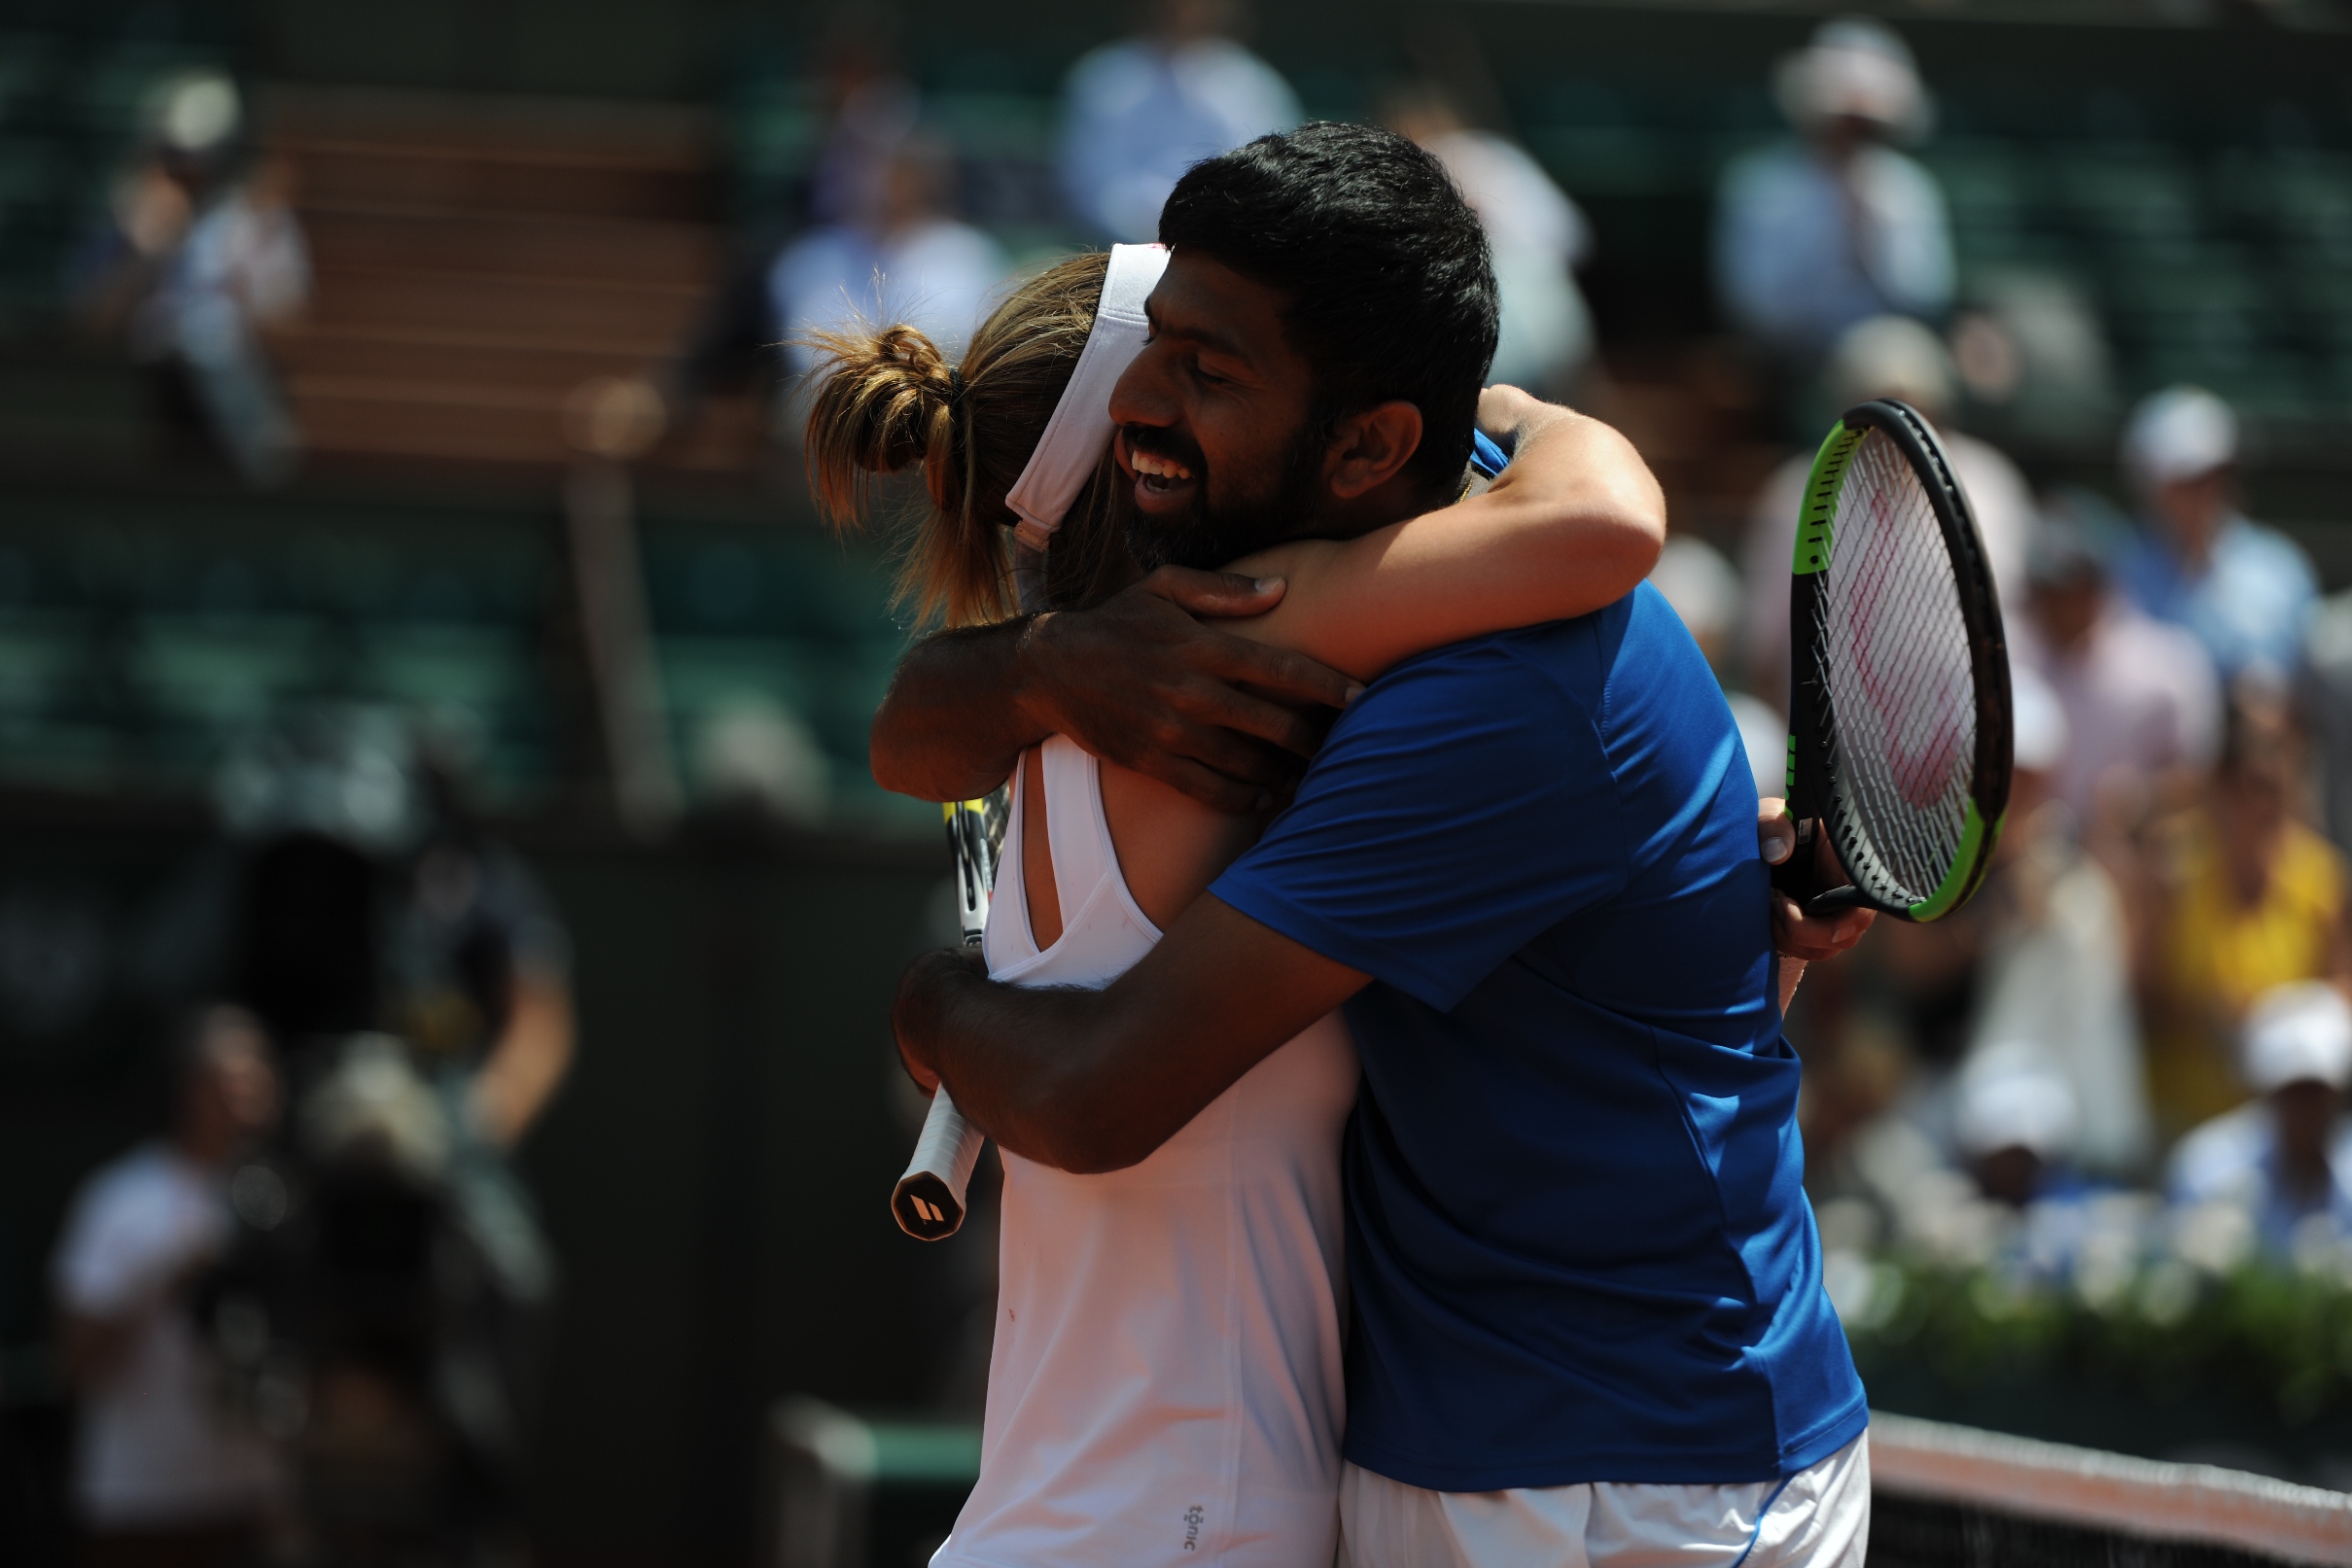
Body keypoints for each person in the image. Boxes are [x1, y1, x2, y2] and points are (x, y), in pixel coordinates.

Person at [886, 124, 1874, 1568]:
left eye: (1208, 370)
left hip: (1628, 1488)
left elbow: (1093, 1091)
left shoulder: (1447, 692)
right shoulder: (1350, 576)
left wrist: (928, 1008)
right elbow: (1573, 480)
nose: (1155, 399)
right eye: (1154, 350)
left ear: (1371, 444)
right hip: (1415, 1467)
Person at [808, 234, 1669, 1560]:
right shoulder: (1228, 655)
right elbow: (1597, 525)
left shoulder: (1056, 721)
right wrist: (1507, 404)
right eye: (1191, 369)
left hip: (1086, 1511)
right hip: (1184, 1523)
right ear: (1148, 448)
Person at [52, 1007, 285, 1568]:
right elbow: (76, 1361)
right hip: (142, 1508)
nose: (244, 1101)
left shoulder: (285, 1201)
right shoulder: (122, 1200)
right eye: (228, 1083)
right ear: (190, 1090)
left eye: (256, 1082)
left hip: (251, 1503)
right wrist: (175, 1273)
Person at [1740, 315, 2030, 712]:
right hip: (1836, 759)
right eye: (1882, 408)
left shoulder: (1992, 484)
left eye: (1915, 408)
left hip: (1973, 748)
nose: (1898, 428)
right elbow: (1765, 649)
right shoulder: (1796, 494)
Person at [1961, 667, 2154, 1178]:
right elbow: (1913, 967)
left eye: (2025, 773)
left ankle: (2100, 1140)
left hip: (2077, 1117)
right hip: (1971, 1099)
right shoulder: (1941, 862)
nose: (2012, 786)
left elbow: (2129, 973)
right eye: (2002, 769)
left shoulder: (2079, 865)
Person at [2141, 686, 2352, 1141]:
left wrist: (2277, 1018)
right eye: (2246, 786)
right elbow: (2145, 997)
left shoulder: (2323, 878)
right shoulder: (2174, 874)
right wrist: (2210, 1016)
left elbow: (2343, 992)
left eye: (2272, 789)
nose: (2259, 805)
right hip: (2186, 1125)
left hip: (2290, 1134)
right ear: (2218, 787)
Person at [1714, 17, 1952, 381]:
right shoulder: (1761, 184)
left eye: (1865, 126)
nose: (1851, 136)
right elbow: (1755, 303)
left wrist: (1872, 233)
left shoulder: (1909, 187)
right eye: (1841, 121)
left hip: (1890, 361)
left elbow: (1927, 293)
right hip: (1788, 365)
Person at [2014, 500, 2222, 827]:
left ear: (2098, 587)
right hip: (2026, 852)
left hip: (2135, 848)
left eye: (2072, 587)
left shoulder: (2168, 663)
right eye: (2047, 589)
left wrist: (2143, 796)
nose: (2057, 603)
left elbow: (2198, 778)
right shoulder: (2006, 659)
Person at [1383, 83, 1594, 397]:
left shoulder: (1432, 160)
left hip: (1508, 319)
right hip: (1564, 315)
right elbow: (1578, 240)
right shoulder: (1503, 153)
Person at [2114, 386, 2316, 683]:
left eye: (2217, 475)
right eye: (2188, 481)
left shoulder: (2280, 569)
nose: (2206, 492)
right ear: (2152, 487)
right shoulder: (2119, 575)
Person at [1058, 0, 1300, 243]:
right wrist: (1152, 235)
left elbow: (1263, 179)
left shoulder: (1255, 84)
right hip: (1116, 250)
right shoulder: (1105, 76)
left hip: (1223, 247)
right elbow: (1093, 184)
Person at [771, 138, 1008, 378]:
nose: (882, 186)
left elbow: (960, 347)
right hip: (833, 401)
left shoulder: (967, 252)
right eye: (868, 169)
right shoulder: (814, 255)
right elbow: (804, 351)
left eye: (899, 174)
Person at [2168, 981, 2352, 1261]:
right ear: (2265, 1093)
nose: (2305, 1109)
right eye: (2291, 1093)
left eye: (2315, 1091)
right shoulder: (2207, 1171)